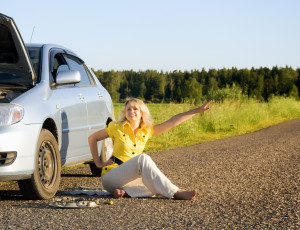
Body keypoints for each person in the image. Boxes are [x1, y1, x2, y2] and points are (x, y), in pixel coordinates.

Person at [88, 98, 214, 200]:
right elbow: (92, 138)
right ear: (125, 113)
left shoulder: (147, 131)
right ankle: (177, 192)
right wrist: (98, 163)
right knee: (143, 159)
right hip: (112, 176)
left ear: (142, 113)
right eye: (128, 109)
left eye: (135, 108)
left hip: (129, 180)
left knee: (156, 185)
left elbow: (172, 122)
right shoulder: (116, 127)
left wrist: (196, 111)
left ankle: (125, 192)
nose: (131, 111)